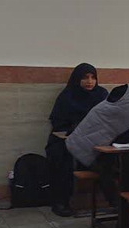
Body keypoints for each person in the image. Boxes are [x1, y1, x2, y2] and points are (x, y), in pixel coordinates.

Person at [45, 63, 108, 216]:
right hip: (67, 139)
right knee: (61, 155)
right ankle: (61, 202)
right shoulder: (68, 96)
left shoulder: (101, 95)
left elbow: (108, 118)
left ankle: (114, 201)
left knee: (110, 159)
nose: (90, 81)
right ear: (77, 79)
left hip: (94, 140)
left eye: (93, 77)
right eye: (85, 78)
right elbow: (58, 123)